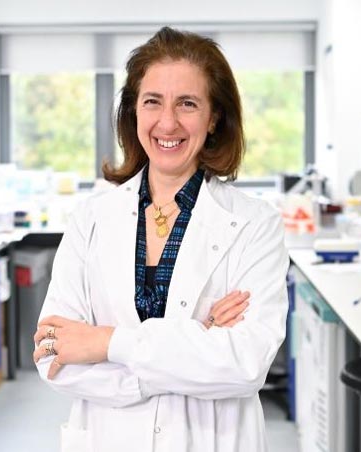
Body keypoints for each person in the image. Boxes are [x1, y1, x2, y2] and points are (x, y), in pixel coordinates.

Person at [33, 26, 289, 451]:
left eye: (187, 104)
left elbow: (245, 364)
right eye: (153, 102)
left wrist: (105, 342)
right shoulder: (91, 220)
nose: (167, 122)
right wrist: (193, 342)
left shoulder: (254, 224)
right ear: (134, 113)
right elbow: (53, 355)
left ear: (214, 118)